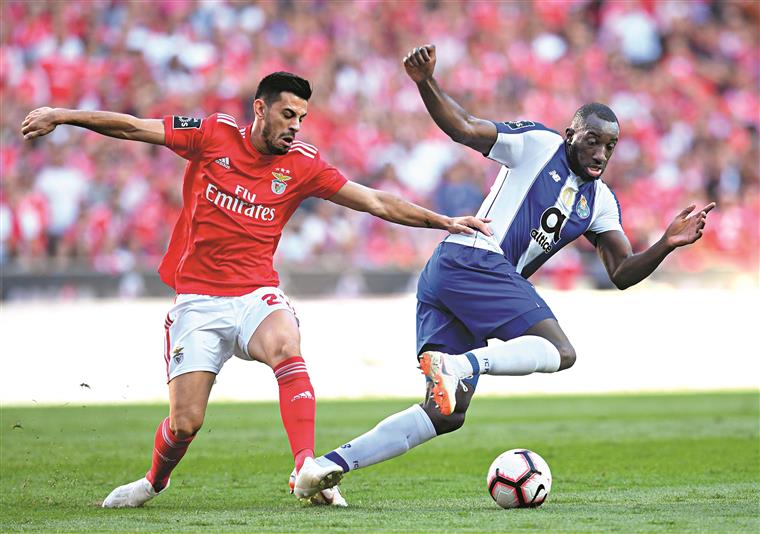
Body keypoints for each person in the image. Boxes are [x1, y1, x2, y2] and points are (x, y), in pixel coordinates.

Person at [21, 71, 491, 508]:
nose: (296, 127)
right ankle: (153, 481)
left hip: (255, 294)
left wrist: (443, 221)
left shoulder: (303, 165)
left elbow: (371, 200)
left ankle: (306, 467)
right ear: (260, 109)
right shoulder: (212, 135)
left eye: (303, 118)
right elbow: (132, 127)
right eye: (288, 115)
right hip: (198, 302)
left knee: (286, 344)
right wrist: (63, 115)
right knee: (186, 422)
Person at [293, 45, 716, 499]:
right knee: (561, 352)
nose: (601, 152)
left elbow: (622, 272)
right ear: (571, 133)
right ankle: (457, 364)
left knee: (446, 414)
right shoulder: (539, 144)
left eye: (610, 145)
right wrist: (426, 82)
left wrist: (666, 244)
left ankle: (323, 471)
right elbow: (465, 128)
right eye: (592, 139)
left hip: (460, 277)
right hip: (473, 258)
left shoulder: (601, 201)